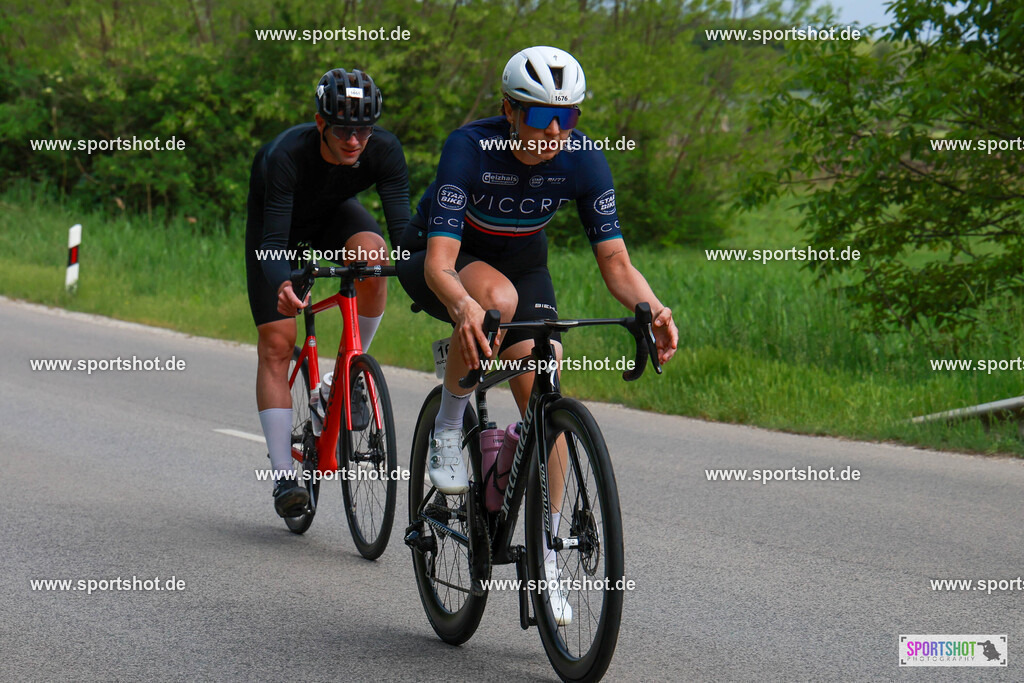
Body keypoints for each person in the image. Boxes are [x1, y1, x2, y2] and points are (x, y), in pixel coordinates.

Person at [397, 46, 678, 624]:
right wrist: (463, 308)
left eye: (566, 116)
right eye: (536, 115)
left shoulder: (583, 160)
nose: (552, 130)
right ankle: (450, 427)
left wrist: (651, 308)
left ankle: (549, 552)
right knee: (495, 302)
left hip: (524, 262)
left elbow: (617, 263)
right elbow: (439, 265)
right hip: (442, 257)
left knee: (542, 373)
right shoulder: (470, 148)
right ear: (508, 109)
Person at [245, 68, 409, 518]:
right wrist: (282, 282)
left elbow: (404, 236)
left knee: (375, 257)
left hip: (333, 219)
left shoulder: (385, 151)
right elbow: (272, 243)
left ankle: (348, 374)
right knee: (277, 346)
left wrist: (428, 279)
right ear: (321, 124)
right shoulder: (286, 155)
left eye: (364, 129)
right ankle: (283, 478)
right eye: (343, 129)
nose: (355, 139)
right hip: (276, 231)